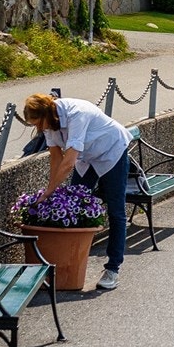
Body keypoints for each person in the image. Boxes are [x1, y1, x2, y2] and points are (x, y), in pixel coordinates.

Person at [22, 93, 130, 291]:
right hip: (87, 157)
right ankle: (69, 264)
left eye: (39, 123)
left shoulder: (76, 114)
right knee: (73, 204)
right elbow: (56, 158)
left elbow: (68, 162)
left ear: (47, 114)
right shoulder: (50, 122)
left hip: (112, 150)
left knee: (116, 211)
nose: (38, 129)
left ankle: (113, 269)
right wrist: (50, 191)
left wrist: (49, 192)